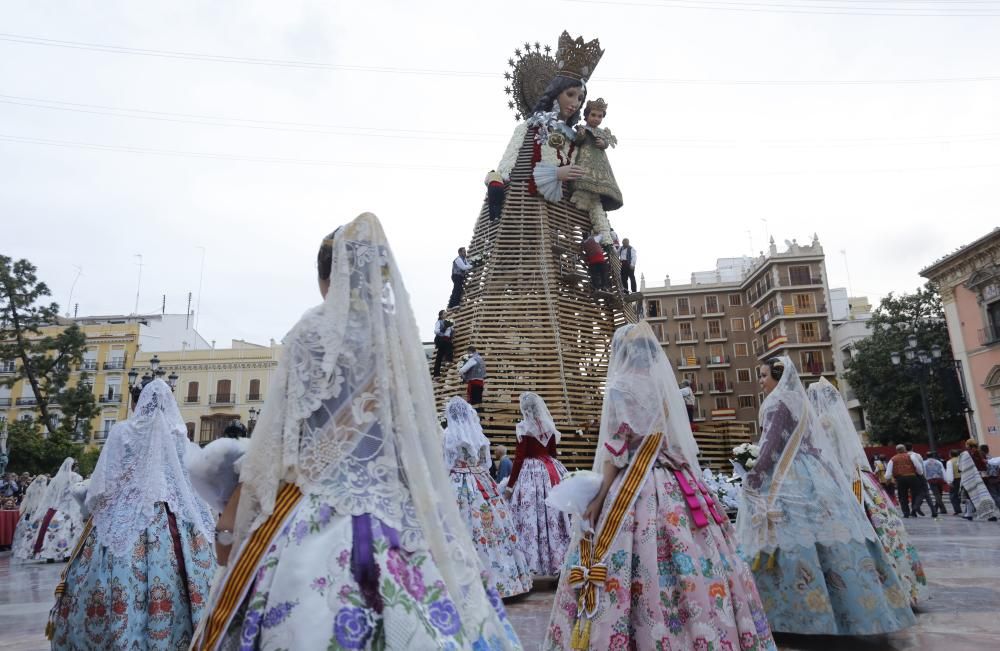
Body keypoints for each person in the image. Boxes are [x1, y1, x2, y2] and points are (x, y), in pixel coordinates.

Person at [193, 214, 519, 650]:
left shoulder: (310, 333)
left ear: (326, 277)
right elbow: (414, 443)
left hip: (314, 510)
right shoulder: (398, 344)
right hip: (398, 511)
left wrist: (237, 515)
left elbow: (277, 439)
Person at [545, 323, 776, 650]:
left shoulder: (619, 387)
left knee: (627, 554)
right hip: (675, 480)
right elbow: (674, 439)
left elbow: (616, 446)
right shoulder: (663, 386)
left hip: (634, 483)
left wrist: (598, 497)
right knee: (692, 552)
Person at [737, 358, 915, 635]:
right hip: (815, 474)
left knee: (785, 535)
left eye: (762, 376)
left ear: (776, 377)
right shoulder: (801, 402)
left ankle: (792, 615)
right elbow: (813, 445)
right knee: (827, 537)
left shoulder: (774, 403)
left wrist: (754, 473)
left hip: (787, 475)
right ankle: (854, 611)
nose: (760, 381)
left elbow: (771, 445)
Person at [47, 379, 216, 648]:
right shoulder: (179, 436)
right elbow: (191, 482)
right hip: (178, 520)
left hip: (128, 516)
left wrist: (94, 508)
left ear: (137, 402)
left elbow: (104, 483)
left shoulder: (124, 431)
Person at [808, 378, 926, 607]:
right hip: (861, 480)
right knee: (883, 530)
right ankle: (903, 586)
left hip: (839, 481)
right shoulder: (840, 421)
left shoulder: (822, 423)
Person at [444, 397, 532, 598]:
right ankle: (506, 580)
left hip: (458, 481)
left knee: (462, 525)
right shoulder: (478, 434)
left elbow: (445, 462)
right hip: (482, 482)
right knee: (494, 529)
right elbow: (486, 464)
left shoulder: (449, 435)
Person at [504, 392, 572, 576]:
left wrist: (510, 486)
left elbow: (519, 459)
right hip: (552, 470)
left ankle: (531, 562)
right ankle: (560, 559)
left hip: (531, 474)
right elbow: (553, 453)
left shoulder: (524, 428)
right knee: (554, 516)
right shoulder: (548, 426)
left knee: (532, 517)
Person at [570, 97, 622, 240]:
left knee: (597, 198)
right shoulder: (582, 128)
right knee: (584, 189)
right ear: (587, 115)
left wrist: (604, 143)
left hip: (600, 162)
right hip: (585, 160)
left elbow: (607, 143)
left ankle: (599, 223)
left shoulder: (602, 132)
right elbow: (577, 141)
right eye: (593, 115)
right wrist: (580, 136)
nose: (596, 119)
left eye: (599, 116)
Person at [31, 457, 84, 562]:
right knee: (67, 530)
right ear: (74, 467)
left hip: (55, 509)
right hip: (70, 508)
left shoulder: (55, 479)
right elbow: (77, 493)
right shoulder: (77, 477)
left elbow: (49, 495)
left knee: (52, 531)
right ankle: (67, 553)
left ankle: (49, 554)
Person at [958, 439, 999, 521]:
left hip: (973, 477)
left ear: (969, 445)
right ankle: (990, 514)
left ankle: (970, 514)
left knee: (968, 495)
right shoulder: (981, 453)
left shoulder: (968, 454)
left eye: (967, 445)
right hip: (984, 476)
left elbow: (962, 467)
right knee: (985, 495)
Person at [11, 474, 47, 560]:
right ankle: (33, 549)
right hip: (35, 513)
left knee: (26, 530)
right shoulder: (43, 491)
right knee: (34, 531)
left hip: (29, 513)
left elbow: (25, 501)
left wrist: (22, 511)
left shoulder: (30, 489)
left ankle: (24, 548)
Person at [886, 444, 923, 518]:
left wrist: (888, 480)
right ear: (905, 449)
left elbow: (888, 473)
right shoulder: (911, 456)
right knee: (917, 493)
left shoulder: (893, 459)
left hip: (900, 479)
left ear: (896, 451)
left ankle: (906, 513)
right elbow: (918, 466)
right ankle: (914, 508)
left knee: (902, 496)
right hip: (912, 476)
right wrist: (920, 473)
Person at [924, 451, 949, 515]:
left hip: (931, 479)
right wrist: (946, 479)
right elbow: (943, 470)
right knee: (939, 494)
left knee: (936, 494)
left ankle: (943, 509)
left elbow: (924, 472)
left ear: (926, 456)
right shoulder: (938, 462)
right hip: (939, 479)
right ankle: (936, 508)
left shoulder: (925, 463)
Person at [432, 310, 454, 377]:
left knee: (439, 356)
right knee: (449, 346)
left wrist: (452, 329)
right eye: (444, 313)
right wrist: (444, 328)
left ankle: (436, 375)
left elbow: (451, 330)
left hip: (446, 339)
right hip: (441, 339)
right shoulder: (439, 322)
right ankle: (448, 361)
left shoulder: (448, 322)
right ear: (441, 315)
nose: (446, 314)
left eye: (446, 313)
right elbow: (436, 331)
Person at [945, 449, 964, 515]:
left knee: (953, 495)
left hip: (955, 479)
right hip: (963, 478)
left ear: (950, 455)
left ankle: (957, 509)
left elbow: (950, 472)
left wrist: (950, 481)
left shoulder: (950, 462)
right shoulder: (961, 460)